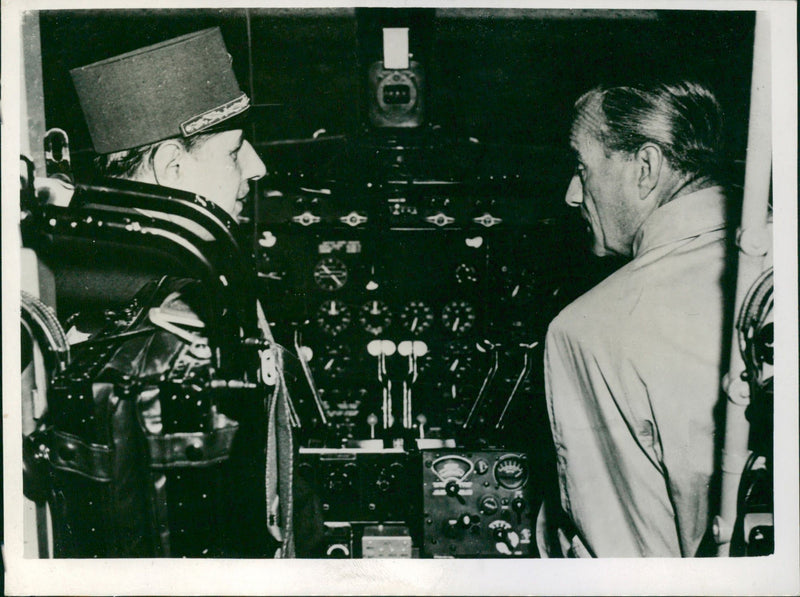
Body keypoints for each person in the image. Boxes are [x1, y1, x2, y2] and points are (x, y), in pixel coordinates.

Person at [28, 27, 323, 558]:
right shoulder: (181, 320)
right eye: (234, 151)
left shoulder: (196, 289)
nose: (257, 168)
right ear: (173, 168)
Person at [543, 80, 733, 557]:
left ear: (645, 168)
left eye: (582, 169)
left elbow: (627, 559)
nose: (572, 194)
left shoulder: (587, 330)